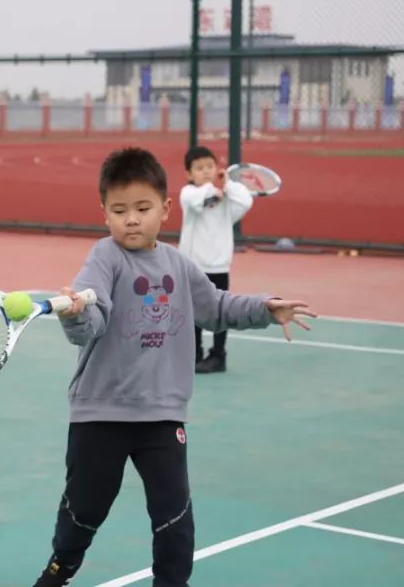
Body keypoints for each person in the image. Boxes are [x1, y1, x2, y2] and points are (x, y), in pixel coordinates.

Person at [30, 147, 313, 587]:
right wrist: (76, 315)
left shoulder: (179, 265)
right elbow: (92, 319)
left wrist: (264, 308)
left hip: (161, 417)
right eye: (119, 210)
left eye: (142, 209)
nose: (131, 220)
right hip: (100, 414)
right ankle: (56, 573)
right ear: (104, 213)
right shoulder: (105, 258)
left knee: (175, 520)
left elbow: (216, 306)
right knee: (83, 513)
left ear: (164, 209)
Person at [177, 145, 254, 374]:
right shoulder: (188, 193)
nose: (206, 171)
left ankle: (218, 356)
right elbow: (199, 197)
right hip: (193, 266)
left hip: (219, 267)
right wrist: (214, 190)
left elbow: (245, 200)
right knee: (193, 312)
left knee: (219, 312)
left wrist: (228, 183)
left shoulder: (227, 201)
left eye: (210, 166)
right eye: (199, 168)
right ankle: (194, 354)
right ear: (189, 174)